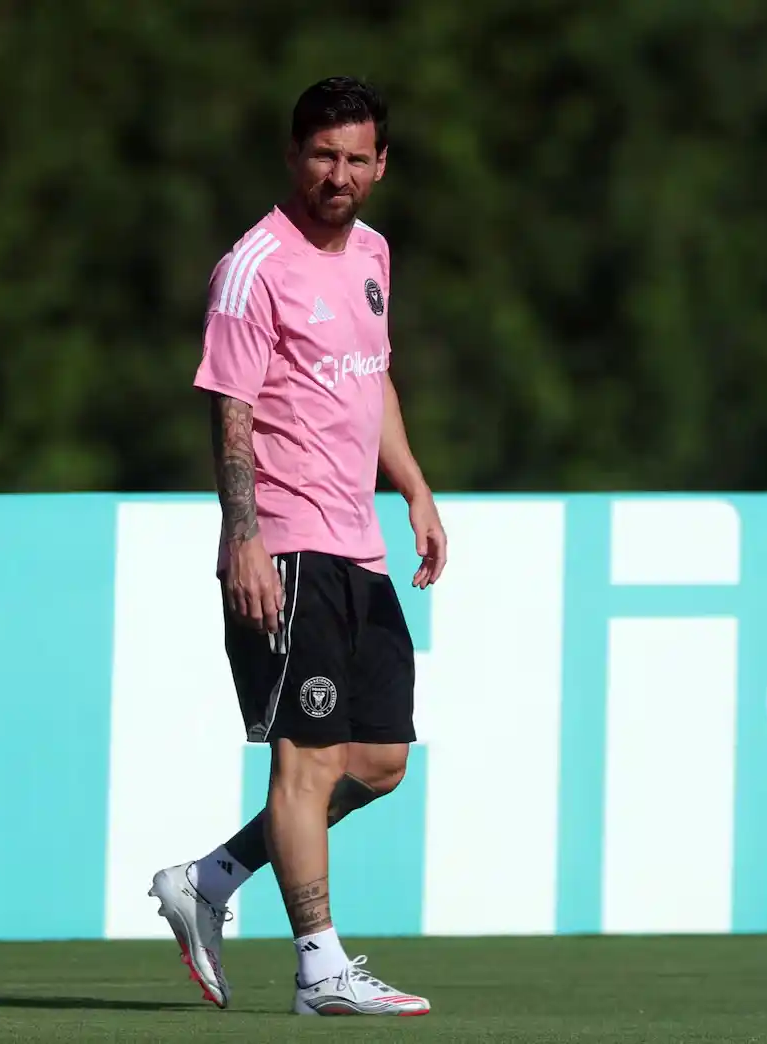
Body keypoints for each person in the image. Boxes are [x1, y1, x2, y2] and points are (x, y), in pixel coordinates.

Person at [147, 76, 445, 1018]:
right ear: (293, 155)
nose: (339, 175)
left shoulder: (374, 254)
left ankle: (212, 878)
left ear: (381, 165)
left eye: (358, 158)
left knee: (381, 759)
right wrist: (244, 534)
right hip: (286, 543)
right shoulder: (254, 266)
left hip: (359, 547)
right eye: (323, 155)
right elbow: (229, 409)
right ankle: (320, 968)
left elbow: (373, 379)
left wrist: (415, 485)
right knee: (305, 761)